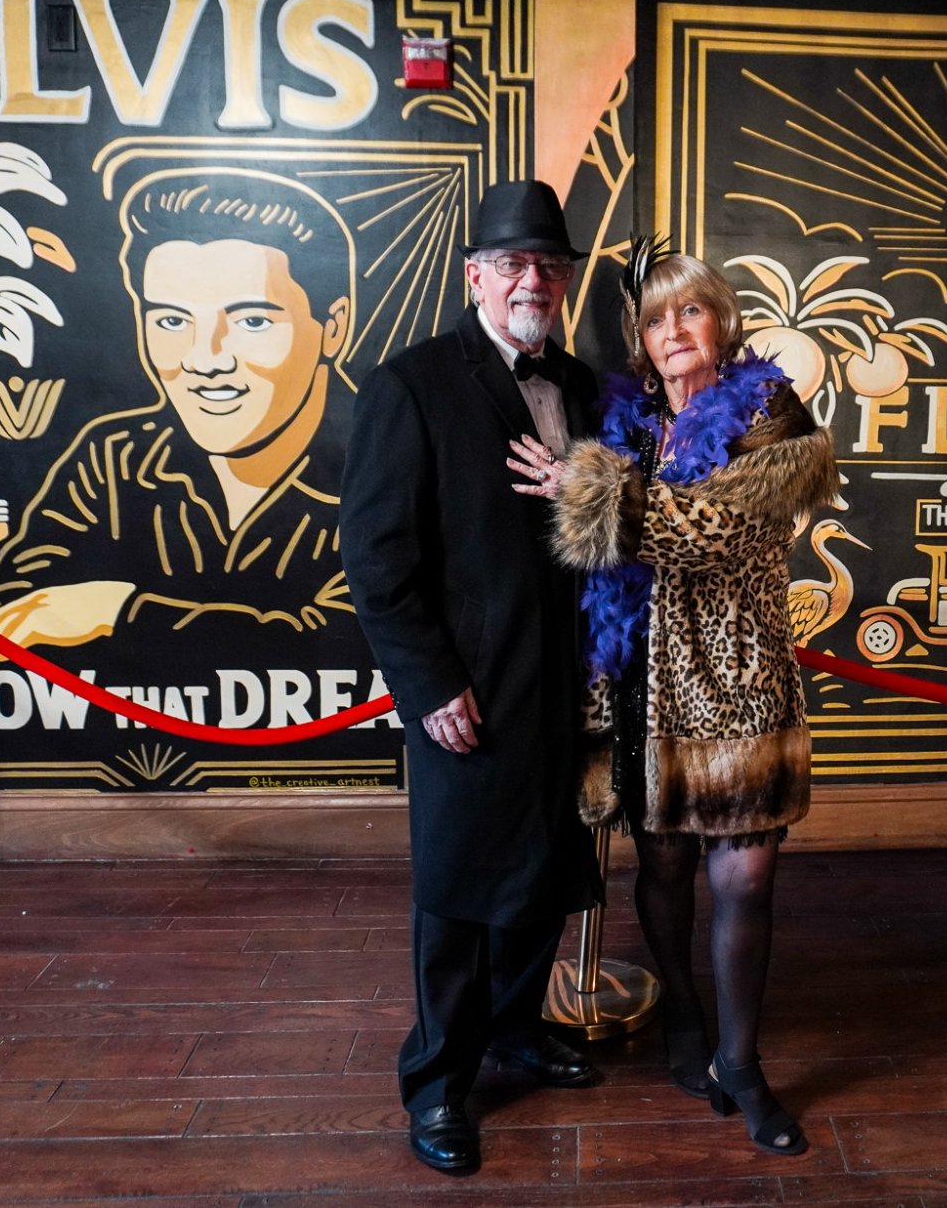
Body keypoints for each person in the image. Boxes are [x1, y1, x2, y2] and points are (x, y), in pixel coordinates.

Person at [510, 247, 837, 1156]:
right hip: (641, 675)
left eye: (691, 312)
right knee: (660, 867)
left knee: (747, 873)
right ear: (641, 340)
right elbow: (603, 553)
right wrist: (596, 484)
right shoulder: (628, 417)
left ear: (719, 320)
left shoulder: (769, 411)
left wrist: (592, 490)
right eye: (657, 320)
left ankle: (743, 1061)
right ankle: (684, 1013)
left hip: (735, 673)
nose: (675, 332)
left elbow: (725, 533)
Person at [341, 180, 603, 1177]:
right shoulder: (412, 385)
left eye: (546, 264)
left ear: (563, 280)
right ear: (474, 277)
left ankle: (516, 1030)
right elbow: (375, 558)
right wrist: (429, 684)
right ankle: (440, 1082)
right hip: (467, 691)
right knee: (454, 892)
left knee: (542, 871)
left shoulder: (581, 385)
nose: (529, 279)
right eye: (511, 264)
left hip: (565, 685)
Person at [0, 167, 354, 660]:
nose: (204, 358)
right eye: (172, 321)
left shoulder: (393, 467)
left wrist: (119, 614)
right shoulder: (116, 458)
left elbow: (349, 642)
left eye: (251, 321)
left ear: (333, 327)